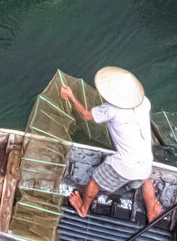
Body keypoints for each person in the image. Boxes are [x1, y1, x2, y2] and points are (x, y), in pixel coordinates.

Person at [66, 66, 166, 223]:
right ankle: (152, 208)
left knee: (95, 180)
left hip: (127, 166)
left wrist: (71, 95)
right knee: (146, 180)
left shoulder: (111, 109)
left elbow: (86, 115)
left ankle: (83, 208)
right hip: (146, 162)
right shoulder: (144, 103)